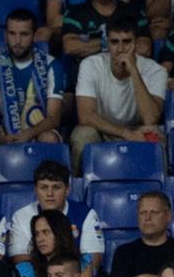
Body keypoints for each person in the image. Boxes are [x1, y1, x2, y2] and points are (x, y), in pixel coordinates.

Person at [71, 14, 168, 170]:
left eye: (127, 42)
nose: (120, 49)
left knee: (156, 138)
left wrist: (134, 71)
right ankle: (77, 190)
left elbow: (150, 119)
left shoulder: (156, 71)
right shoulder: (90, 65)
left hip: (138, 130)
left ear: (136, 43)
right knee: (82, 136)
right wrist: (124, 133)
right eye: (115, 42)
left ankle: (154, 191)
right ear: (107, 43)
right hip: (102, 129)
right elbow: (85, 115)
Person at [0, 9, 66, 157]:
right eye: (12, 34)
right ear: (5, 35)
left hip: (37, 132)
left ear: (34, 36)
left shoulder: (51, 65)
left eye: (24, 34)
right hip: (2, 133)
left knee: (49, 139)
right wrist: (2, 139)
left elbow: (54, 118)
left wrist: (28, 134)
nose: (17, 41)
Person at [61, 0, 153, 68]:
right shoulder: (75, 12)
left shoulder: (134, 12)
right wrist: (114, 44)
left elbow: (144, 49)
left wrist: (92, 45)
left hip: (126, 77)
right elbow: (70, 47)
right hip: (88, 78)